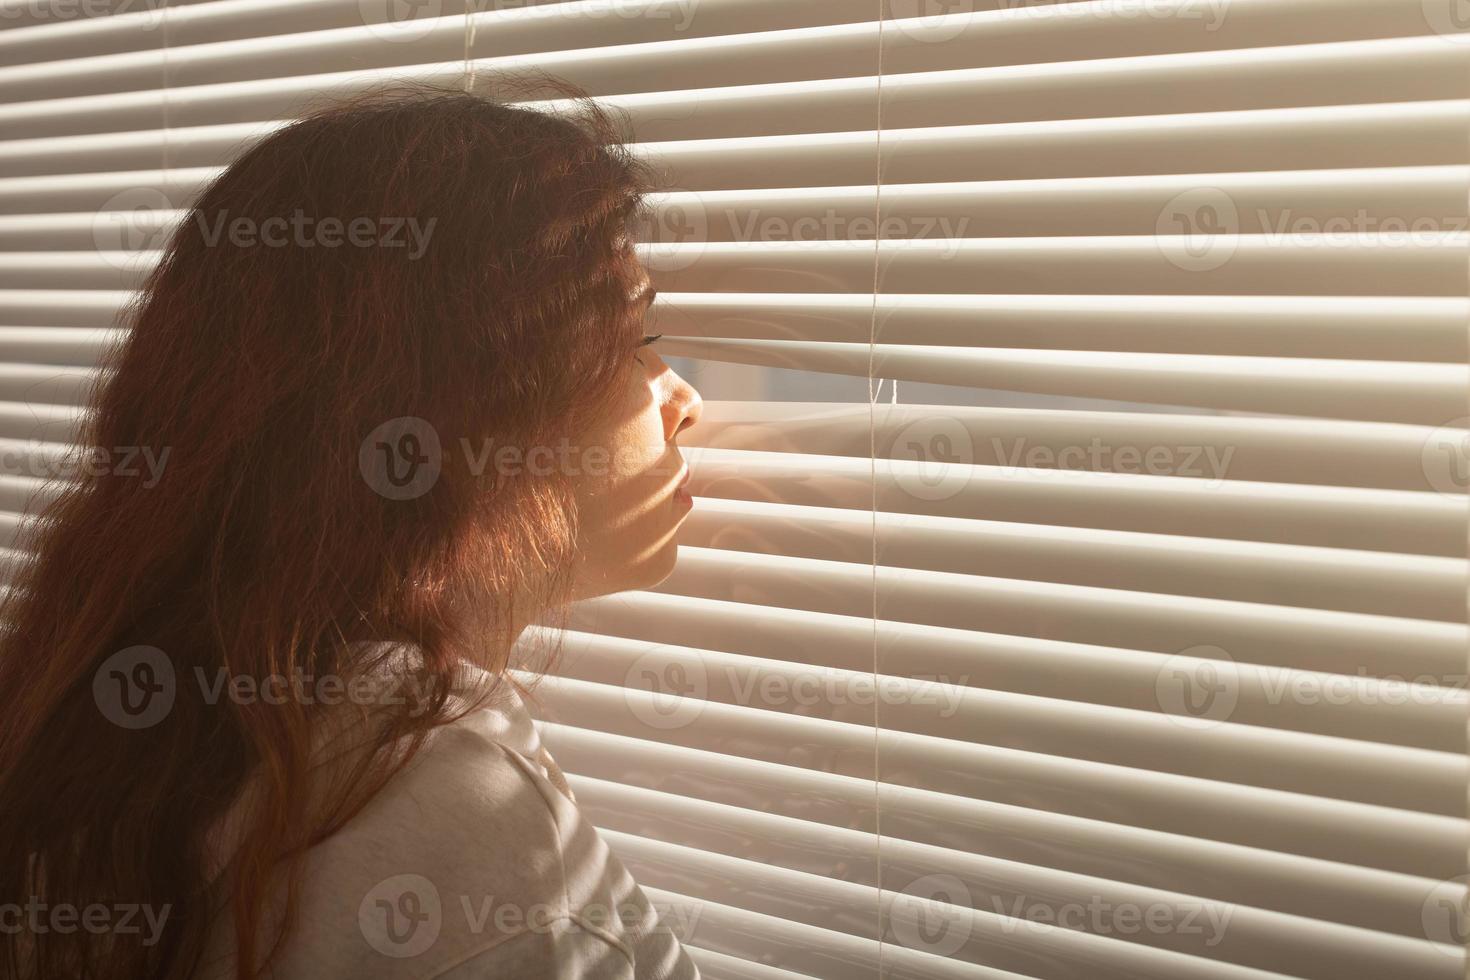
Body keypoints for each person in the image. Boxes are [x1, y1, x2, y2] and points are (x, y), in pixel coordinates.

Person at [0, 75, 703, 979]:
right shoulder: (442, 793)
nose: (681, 400)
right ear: (467, 411)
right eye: (634, 342)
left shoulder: (144, 702)